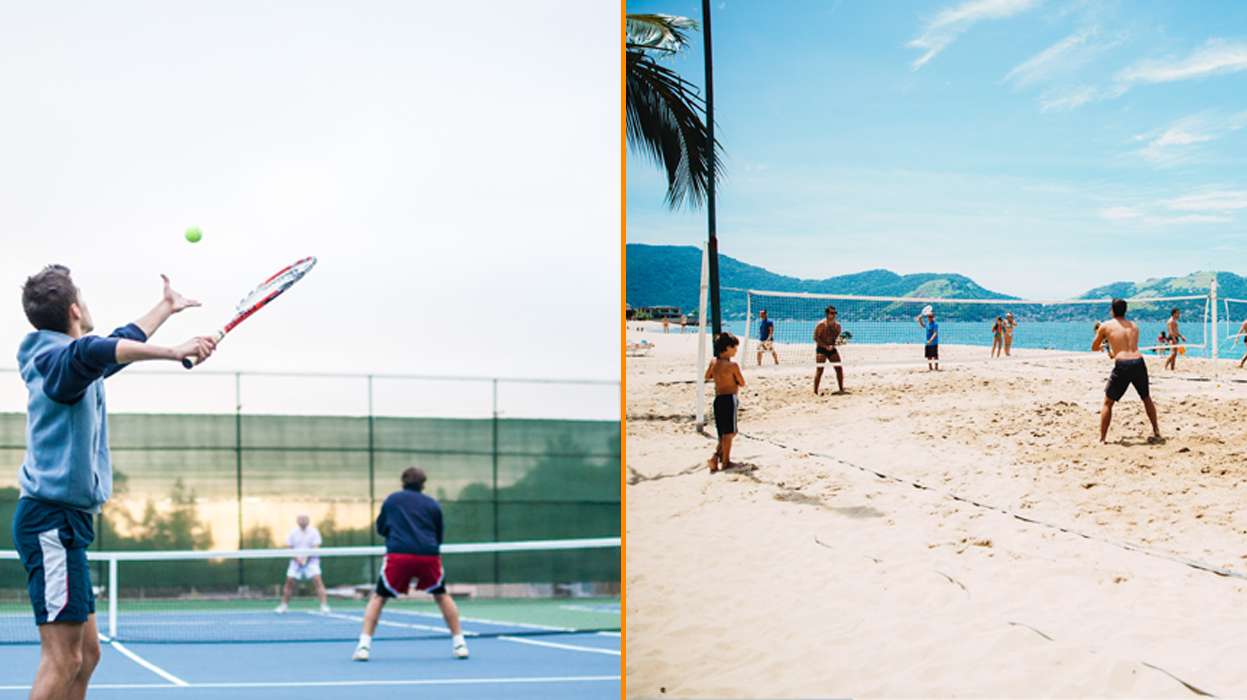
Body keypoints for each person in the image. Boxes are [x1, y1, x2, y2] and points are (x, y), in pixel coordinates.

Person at [13, 266, 215, 700]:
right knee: (62, 659)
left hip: (68, 523)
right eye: (83, 297)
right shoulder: (57, 362)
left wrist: (165, 308)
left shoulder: (70, 361)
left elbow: (110, 346)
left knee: (87, 655)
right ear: (74, 310)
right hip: (50, 522)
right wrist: (173, 351)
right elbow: (94, 351)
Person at [353, 467, 468, 661]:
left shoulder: (392, 501)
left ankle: (363, 647)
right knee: (441, 595)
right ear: (423, 483)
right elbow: (438, 535)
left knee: (379, 598)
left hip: (399, 556)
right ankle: (460, 644)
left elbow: (381, 528)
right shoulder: (432, 504)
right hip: (428, 555)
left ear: (403, 482)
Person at [1092, 298, 1161, 444]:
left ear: (1112, 310)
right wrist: (1110, 348)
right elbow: (1125, 347)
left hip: (1123, 364)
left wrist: (1103, 341)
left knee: (1108, 403)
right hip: (1138, 362)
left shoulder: (1105, 326)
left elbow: (1094, 347)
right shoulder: (1134, 326)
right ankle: (1156, 431)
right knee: (1146, 398)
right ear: (1125, 310)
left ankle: (1102, 439)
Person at [275, 514, 330, 614]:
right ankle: (283, 606)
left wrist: (306, 558)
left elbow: (316, 547)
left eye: (305, 519)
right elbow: (290, 548)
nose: (303, 521)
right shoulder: (293, 532)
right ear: (297, 521)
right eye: (300, 519)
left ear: (308, 521)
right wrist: (298, 559)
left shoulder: (314, 532)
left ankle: (324, 605)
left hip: (312, 561)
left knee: (317, 581)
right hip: (295, 562)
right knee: (289, 582)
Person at [705, 333, 745, 473]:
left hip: (718, 399)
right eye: (734, 348)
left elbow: (707, 376)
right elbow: (742, 382)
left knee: (723, 432)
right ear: (727, 347)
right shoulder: (732, 365)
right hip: (729, 399)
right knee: (730, 433)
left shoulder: (713, 362)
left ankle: (716, 458)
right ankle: (725, 461)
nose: (736, 351)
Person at [813, 306, 844, 394]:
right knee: (820, 370)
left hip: (832, 348)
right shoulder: (821, 324)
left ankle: (841, 389)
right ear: (827, 314)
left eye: (835, 313)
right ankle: (815, 391)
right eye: (832, 313)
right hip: (821, 349)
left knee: (839, 368)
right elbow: (815, 338)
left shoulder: (838, 326)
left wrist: (837, 344)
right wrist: (825, 346)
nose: (834, 315)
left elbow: (837, 339)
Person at [916, 306, 939, 371]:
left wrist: (931, 340)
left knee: (935, 356)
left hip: (934, 343)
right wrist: (920, 319)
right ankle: (930, 368)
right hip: (927, 343)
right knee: (929, 356)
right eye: (929, 316)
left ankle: (936, 367)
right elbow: (922, 325)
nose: (930, 318)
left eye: (931, 317)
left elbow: (935, 333)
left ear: (933, 317)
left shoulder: (935, 324)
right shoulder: (927, 324)